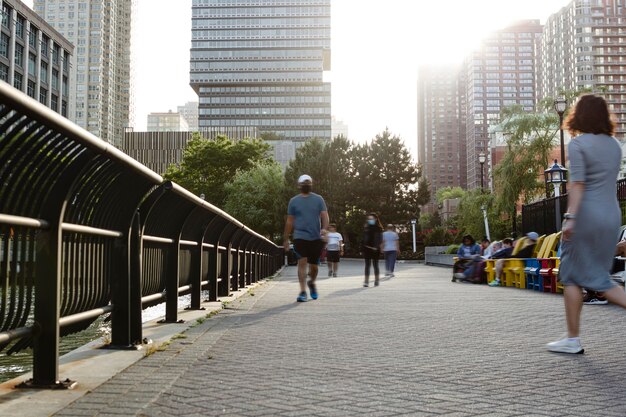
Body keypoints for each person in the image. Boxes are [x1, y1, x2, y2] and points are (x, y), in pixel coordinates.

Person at [546, 94, 626, 354]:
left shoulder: (578, 144)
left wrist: (570, 218)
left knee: (571, 276)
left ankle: (572, 339)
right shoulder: (615, 145)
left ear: (579, 114)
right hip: (611, 216)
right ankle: (571, 338)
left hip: (586, 216)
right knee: (601, 277)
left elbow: (578, 185)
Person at [283, 174, 329, 302]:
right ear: (299, 185)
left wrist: (324, 229)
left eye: (308, 182)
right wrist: (286, 238)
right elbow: (289, 221)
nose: (306, 184)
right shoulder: (294, 201)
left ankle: (312, 283)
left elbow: (325, 216)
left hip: (315, 237)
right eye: (303, 183)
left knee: (314, 267)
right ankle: (302, 291)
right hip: (300, 236)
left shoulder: (318, 199)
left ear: (311, 184)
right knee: (302, 262)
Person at [361, 213, 383, 287]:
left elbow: (380, 239)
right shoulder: (366, 228)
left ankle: (376, 280)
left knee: (375, 265)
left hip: (375, 249)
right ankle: (366, 281)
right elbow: (363, 239)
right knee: (367, 265)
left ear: (375, 219)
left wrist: (376, 247)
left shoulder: (379, 228)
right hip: (367, 249)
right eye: (369, 219)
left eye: (372, 219)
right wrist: (362, 248)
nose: (370, 220)